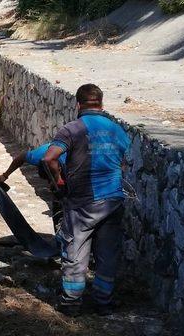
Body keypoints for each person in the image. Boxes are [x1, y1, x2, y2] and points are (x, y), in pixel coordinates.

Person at [42, 84, 130, 317]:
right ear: (101, 104)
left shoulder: (71, 129)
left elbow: (50, 158)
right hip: (113, 200)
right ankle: (104, 302)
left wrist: (59, 180)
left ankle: (71, 303)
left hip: (83, 203)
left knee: (76, 250)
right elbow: (121, 161)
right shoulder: (116, 129)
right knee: (107, 253)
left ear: (78, 105)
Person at [0, 142, 67, 230]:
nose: (49, 184)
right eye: (48, 180)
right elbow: (21, 158)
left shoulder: (71, 161)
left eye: (51, 179)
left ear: (59, 170)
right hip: (54, 158)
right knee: (57, 198)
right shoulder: (37, 157)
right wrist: (5, 175)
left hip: (72, 165)